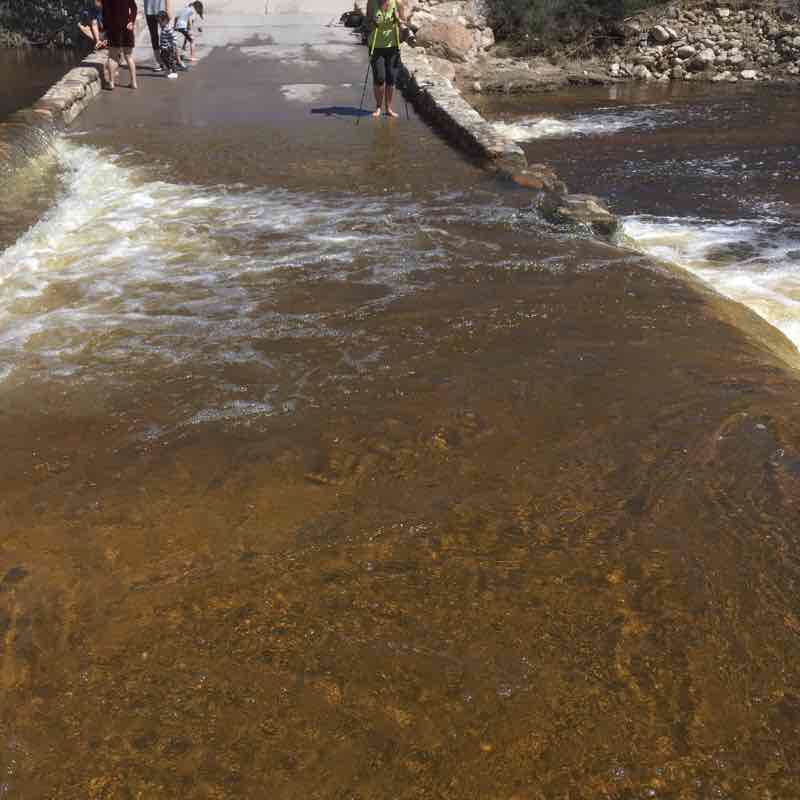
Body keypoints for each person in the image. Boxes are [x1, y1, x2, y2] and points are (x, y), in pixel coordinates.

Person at [368, 0, 406, 118]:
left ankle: (389, 108)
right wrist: (374, 22)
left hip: (393, 46)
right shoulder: (372, 2)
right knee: (380, 78)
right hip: (376, 46)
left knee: (391, 78)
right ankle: (378, 107)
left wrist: (399, 21)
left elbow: (404, 22)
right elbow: (367, 23)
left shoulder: (398, 3)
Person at [102, 0, 138, 89]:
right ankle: (133, 82)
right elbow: (134, 8)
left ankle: (111, 83)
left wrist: (105, 29)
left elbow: (106, 13)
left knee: (112, 56)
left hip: (114, 28)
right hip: (127, 26)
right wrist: (132, 21)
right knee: (128, 56)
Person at [144, 0, 171, 71]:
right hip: (149, 11)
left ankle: (167, 60)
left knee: (166, 35)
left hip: (161, 10)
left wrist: (168, 9)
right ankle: (159, 62)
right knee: (154, 36)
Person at [158, 10, 183, 78]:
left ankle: (174, 72)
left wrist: (172, 45)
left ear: (165, 20)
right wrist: (161, 45)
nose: (159, 24)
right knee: (163, 57)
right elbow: (163, 38)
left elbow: (174, 37)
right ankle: (169, 70)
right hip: (164, 48)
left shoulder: (168, 28)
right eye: (158, 22)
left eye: (160, 22)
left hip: (169, 48)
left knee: (170, 60)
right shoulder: (163, 28)